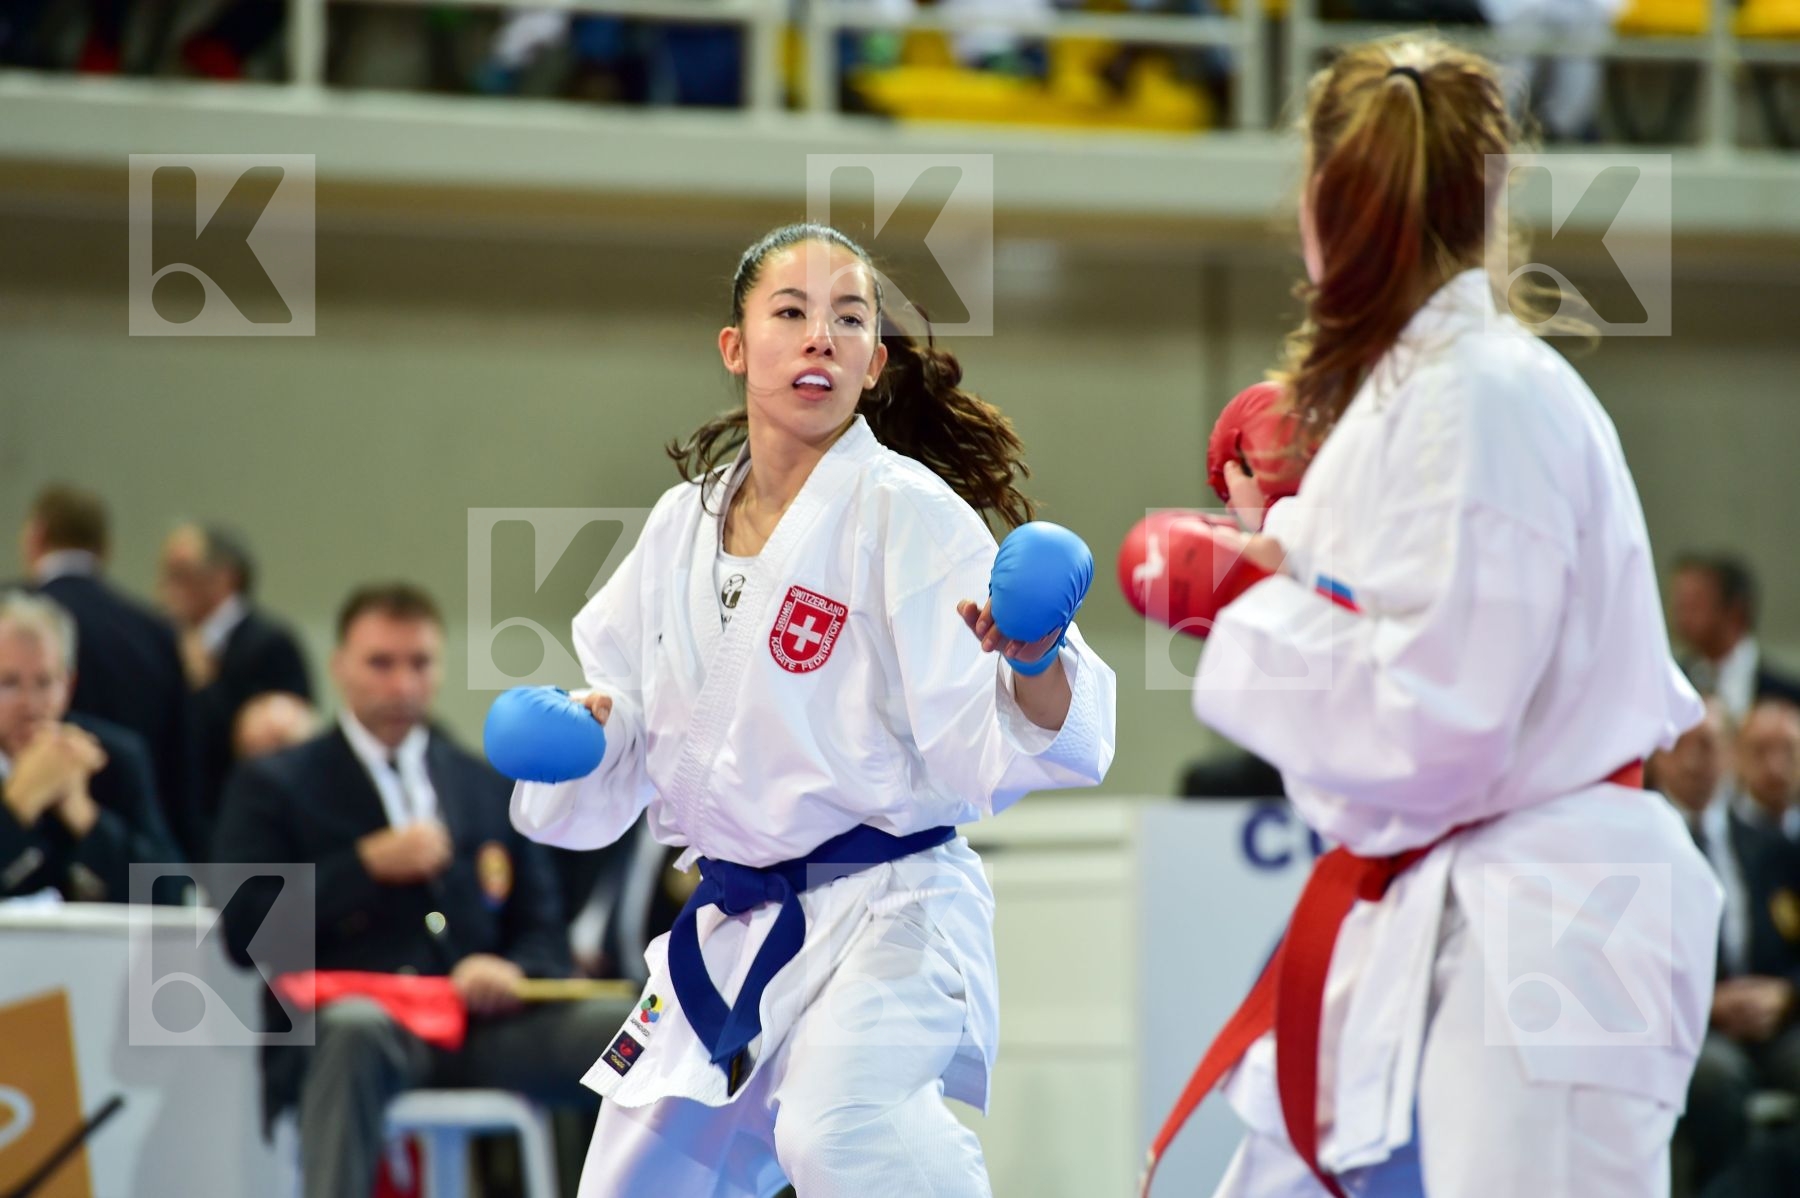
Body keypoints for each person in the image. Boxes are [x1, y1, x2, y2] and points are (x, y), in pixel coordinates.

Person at [1126, 33, 1720, 1198]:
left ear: (1315, 208)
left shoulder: (1483, 397)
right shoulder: (1420, 397)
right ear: (1494, 200)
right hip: (1438, 897)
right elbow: (1397, 625)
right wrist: (1278, 557)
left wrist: (1246, 604)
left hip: (1554, 916)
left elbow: (1443, 718)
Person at [504, 222, 1116, 1197]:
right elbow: (635, 705)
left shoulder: (905, 511)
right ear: (736, 347)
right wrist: (586, 733)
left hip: (889, 911)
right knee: (631, 1186)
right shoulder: (680, 525)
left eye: (848, 319)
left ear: (874, 362)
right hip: (735, 919)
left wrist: (1034, 656)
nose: (819, 337)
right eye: (791, 313)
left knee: (841, 1137)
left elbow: (1001, 728)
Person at [213, 583, 627, 1198]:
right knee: (353, 1029)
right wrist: (363, 865)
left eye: (420, 663)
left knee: (631, 1031)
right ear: (339, 667)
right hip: (356, 1031)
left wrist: (511, 970)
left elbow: (544, 924)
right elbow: (243, 932)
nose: (402, 684)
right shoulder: (276, 784)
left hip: (480, 1029)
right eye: (381, 663)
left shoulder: (485, 785)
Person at [1673, 697, 1800, 1190]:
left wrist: (1787, 995)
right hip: (1691, 1027)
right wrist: (1705, 1004)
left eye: (1707, 744)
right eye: (1680, 745)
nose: (1693, 760)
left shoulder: (1772, 846)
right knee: (1714, 1079)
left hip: (1776, 1021)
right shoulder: (1642, 849)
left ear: (1731, 754)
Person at [19, 484, 190, 835]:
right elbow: (182, 757)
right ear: (105, 548)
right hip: (134, 826)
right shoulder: (154, 630)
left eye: (45, 682)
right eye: (9, 682)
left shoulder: (9, 616)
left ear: (35, 537)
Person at [0, 590, 182, 902]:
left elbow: (174, 894)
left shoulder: (111, 759)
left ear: (69, 686)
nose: (30, 705)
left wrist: (84, 815)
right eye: (9, 683)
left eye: (45, 683)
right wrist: (18, 805)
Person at [158, 522, 312, 857]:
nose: (167, 587)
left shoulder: (271, 643)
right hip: (180, 824)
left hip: (247, 825)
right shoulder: (164, 641)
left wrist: (204, 686)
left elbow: (283, 747)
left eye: (181, 573)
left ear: (224, 577)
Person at [1669, 552, 1800, 722]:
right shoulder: (1670, 687)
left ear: (1735, 612)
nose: (1682, 615)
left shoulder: (1788, 696)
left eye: (1695, 604)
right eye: (1679, 604)